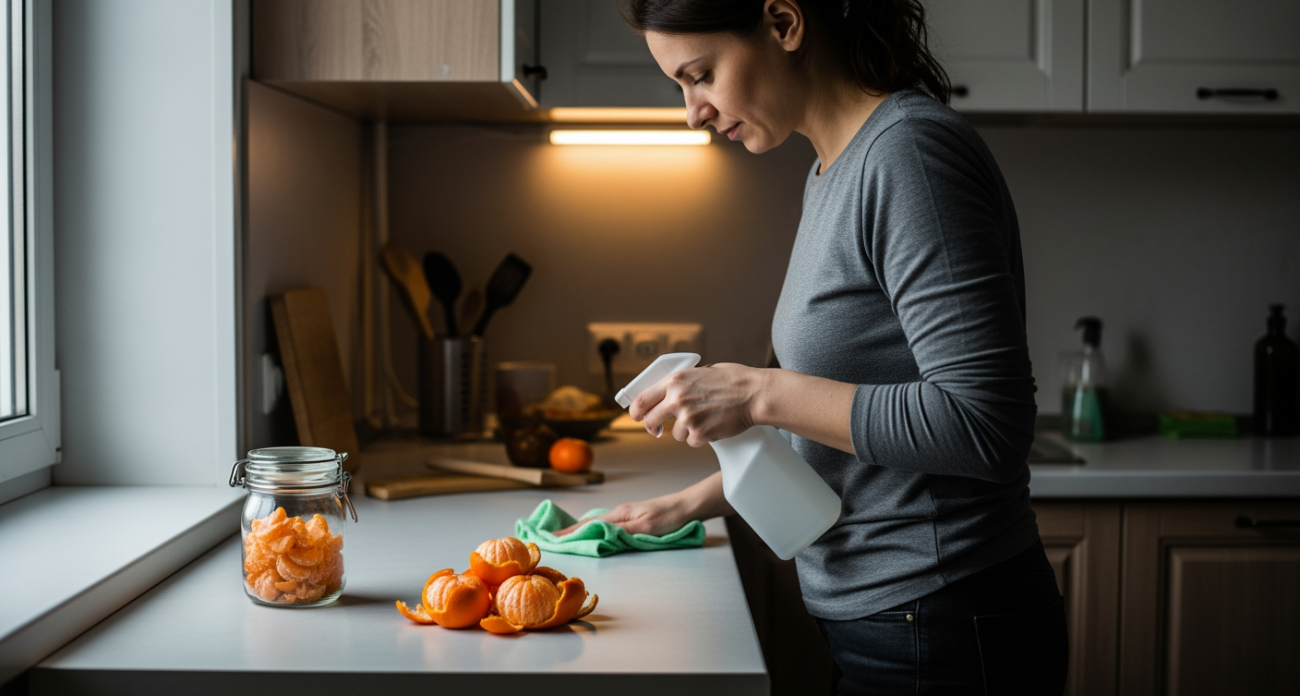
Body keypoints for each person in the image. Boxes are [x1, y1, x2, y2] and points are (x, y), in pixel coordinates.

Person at [557, 0, 1069, 693]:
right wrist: (690, 503)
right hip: (887, 615)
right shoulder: (833, 170)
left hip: (943, 619)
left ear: (784, 23)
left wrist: (756, 392)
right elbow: (837, 425)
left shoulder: (908, 157)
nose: (693, 112)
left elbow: (985, 426)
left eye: (701, 74)